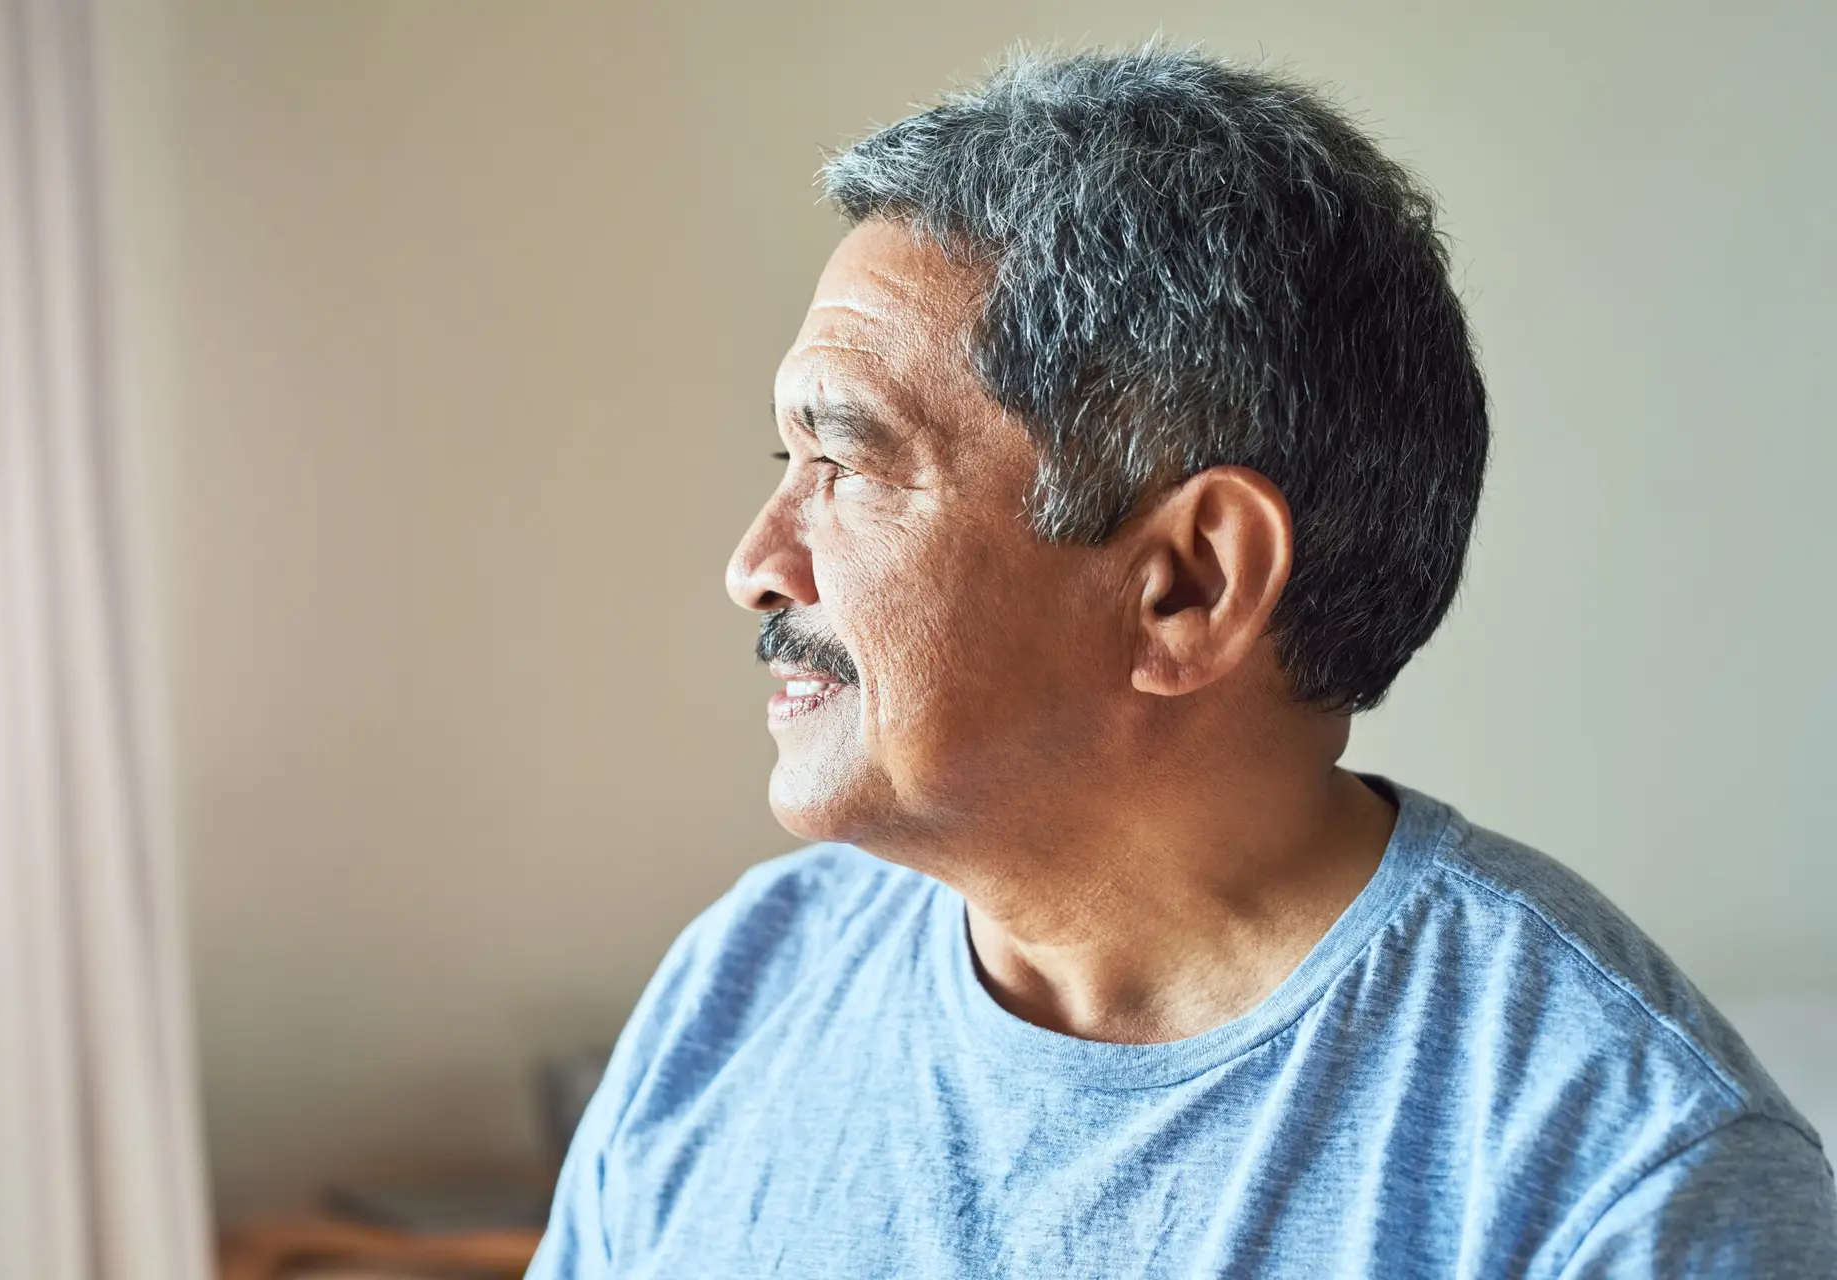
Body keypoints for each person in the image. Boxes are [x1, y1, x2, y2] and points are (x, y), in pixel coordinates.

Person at [527, 46, 1837, 1277]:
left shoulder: (1625, 1178)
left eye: (848, 465)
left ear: (1186, 586)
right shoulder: (741, 991)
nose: (757, 564)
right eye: (787, 460)